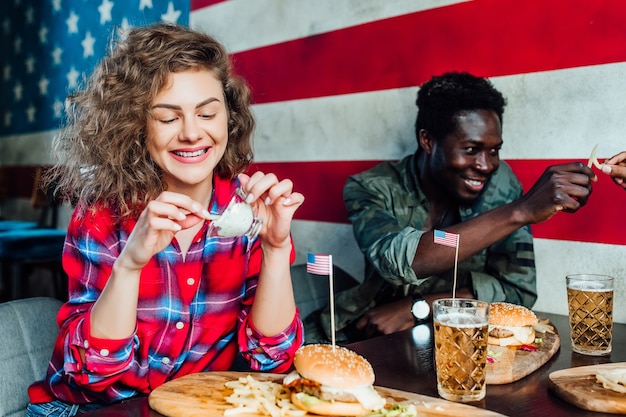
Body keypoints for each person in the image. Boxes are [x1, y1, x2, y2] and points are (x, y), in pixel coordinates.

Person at [27, 23, 305, 416]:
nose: (193, 133)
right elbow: (93, 373)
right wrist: (130, 264)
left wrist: (276, 249)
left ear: (229, 117)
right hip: (95, 407)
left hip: (197, 405)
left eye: (207, 113)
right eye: (168, 117)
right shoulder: (100, 215)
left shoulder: (248, 211)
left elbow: (272, 360)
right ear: (137, 126)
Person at [305, 71, 595, 344]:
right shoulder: (373, 187)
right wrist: (519, 211)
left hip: (458, 341)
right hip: (369, 335)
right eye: (471, 149)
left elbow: (519, 292)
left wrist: (420, 307)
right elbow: (397, 262)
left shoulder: (502, 185)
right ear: (427, 140)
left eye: (494, 150)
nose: (486, 165)